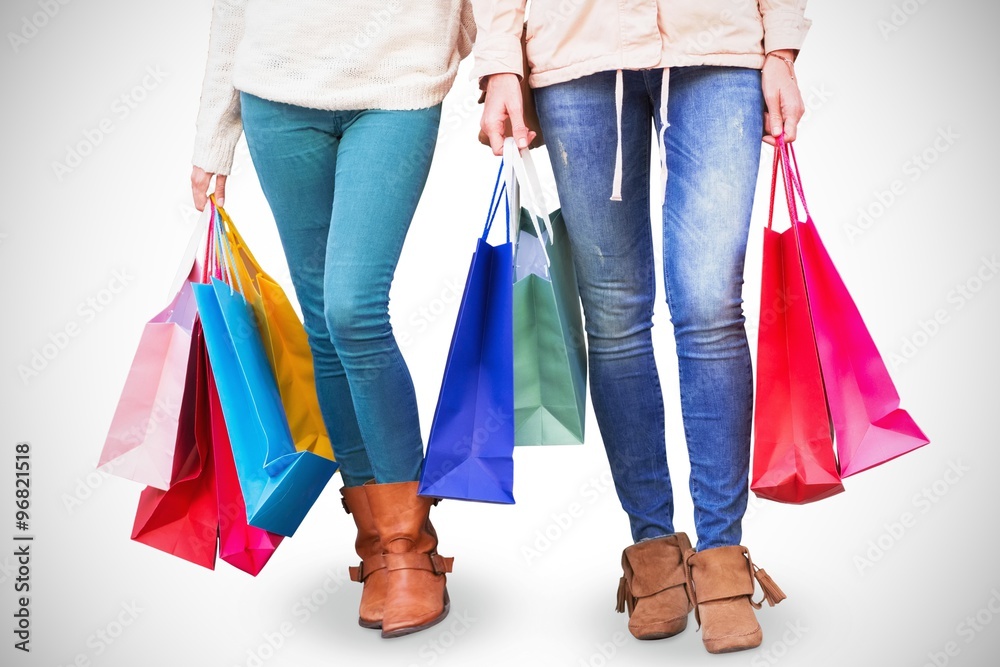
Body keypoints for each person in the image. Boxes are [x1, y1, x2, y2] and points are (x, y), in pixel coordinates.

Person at [476, 0, 809, 654]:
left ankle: (720, 555)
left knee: (711, 304)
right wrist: (498, 65)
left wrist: (782, 48)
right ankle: (652, 547)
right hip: (575, 48)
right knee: (613, 313)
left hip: (718, 42)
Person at [189, 0, 475, 639]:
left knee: (354, 310)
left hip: (395, 85)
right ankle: (374, 540)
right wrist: (214, 137)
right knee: (323, 325)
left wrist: (476, 57)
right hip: (277, 92)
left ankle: (410, 543)